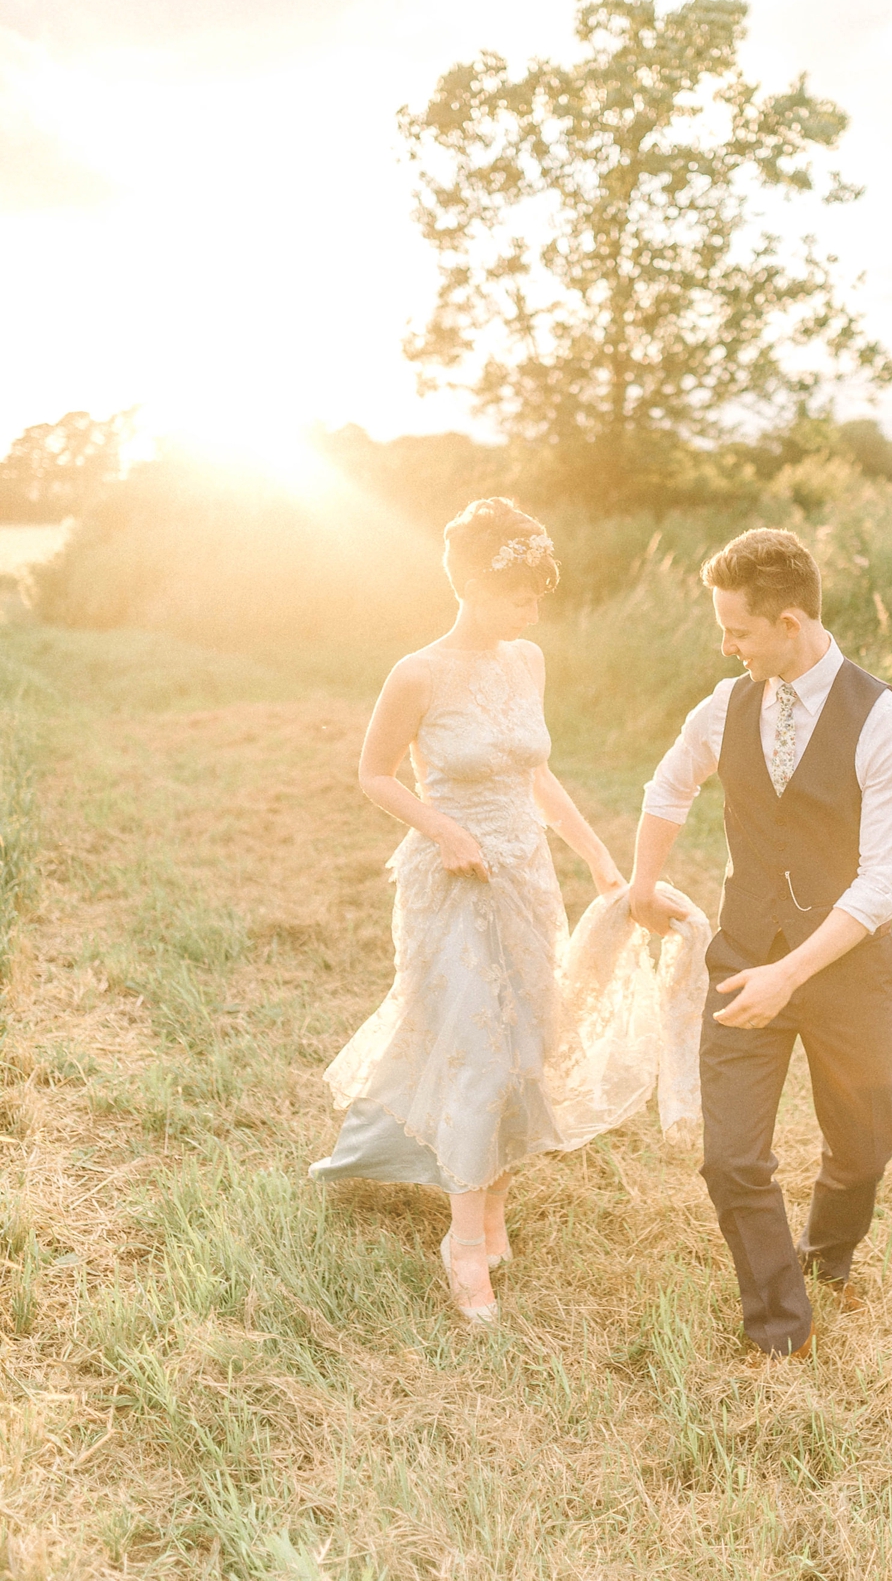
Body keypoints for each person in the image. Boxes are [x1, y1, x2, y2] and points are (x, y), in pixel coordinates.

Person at [310, 498, 629, 1326]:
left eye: (537, 596)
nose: (531, 610)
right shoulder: (417, 673)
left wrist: (595, 856)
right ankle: (460, 1239)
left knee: (527, 1042)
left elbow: (538, 774)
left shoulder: (528, 661)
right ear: (468, 584)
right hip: (450, 885)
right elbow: (375, 774)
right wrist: (443, 828)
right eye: (517, 595)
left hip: (524, 875)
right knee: (474, 1051)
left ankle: (491, 1209)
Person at [629, 528, 892, 1359]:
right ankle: (780, 1325)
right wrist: (644, 883)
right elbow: (668, 783)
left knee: (865, 1151)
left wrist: (788, 977)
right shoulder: (724, 706)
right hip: (743, 957)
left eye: (739, 631)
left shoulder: (885, 721)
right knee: (730, 1160)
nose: (726, 646)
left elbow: (882, 883)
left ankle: (829, 1257)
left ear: (791, 622)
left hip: (848, 972)